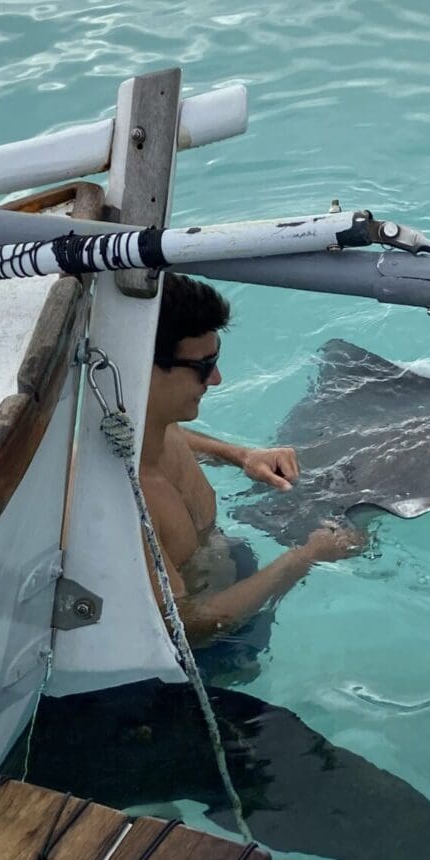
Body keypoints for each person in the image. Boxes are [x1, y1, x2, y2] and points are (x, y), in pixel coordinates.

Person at [140, 273, 363, 662]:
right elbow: (181, 629)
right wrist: (305, 556)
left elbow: (179, 437)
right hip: (209, 647)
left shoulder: (153, 423)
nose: (217, 378)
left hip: (229, 577)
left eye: (216, 357)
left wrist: (242, 456)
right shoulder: (122, 497)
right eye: (202, 366)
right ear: (144, 364)